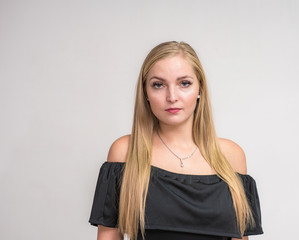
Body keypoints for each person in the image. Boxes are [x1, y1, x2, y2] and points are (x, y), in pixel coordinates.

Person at [89, 41, 263, 240]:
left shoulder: (231, 155)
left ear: (200, 89)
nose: (172, 97)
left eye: (184, 83)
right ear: (145, 93)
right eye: (158, 85)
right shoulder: (125, 151)